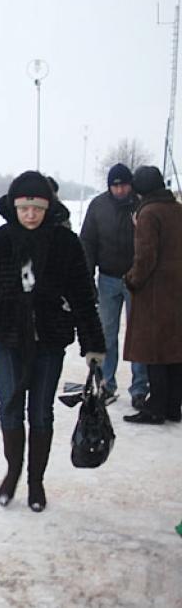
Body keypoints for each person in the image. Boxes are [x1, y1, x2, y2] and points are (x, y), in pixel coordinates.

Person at [0, 171, 105, 512]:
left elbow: (82, 296)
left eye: (38, 208)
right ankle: (13, 470)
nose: (31, 215)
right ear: (14, 207)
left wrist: (93, 343)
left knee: (41, 412)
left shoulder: (65, 243)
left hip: (49, 338)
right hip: (7, 336)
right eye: (24, 208)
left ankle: (35, 481)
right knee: (9, 406)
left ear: (48, 208)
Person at [79, 163, 148, 408]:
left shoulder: (141, 205)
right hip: (107, 278)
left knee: (138, 335)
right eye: (115, 186)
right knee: (106, 333)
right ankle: (106, 384)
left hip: (137, 279)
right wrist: (87, 277)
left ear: (131, 185)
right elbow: (87, 243)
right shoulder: (98, 206)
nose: (120, 190)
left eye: (124, 185)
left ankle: (140, 388)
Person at [122, 166, 182, 424]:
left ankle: (155, 407)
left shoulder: (148, 213)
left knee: (154, 352)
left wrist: (132, 280)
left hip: (155, 293)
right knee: (175, 351)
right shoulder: (177, 209)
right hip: (177, 292)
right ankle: (173, 406)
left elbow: (145, 256)